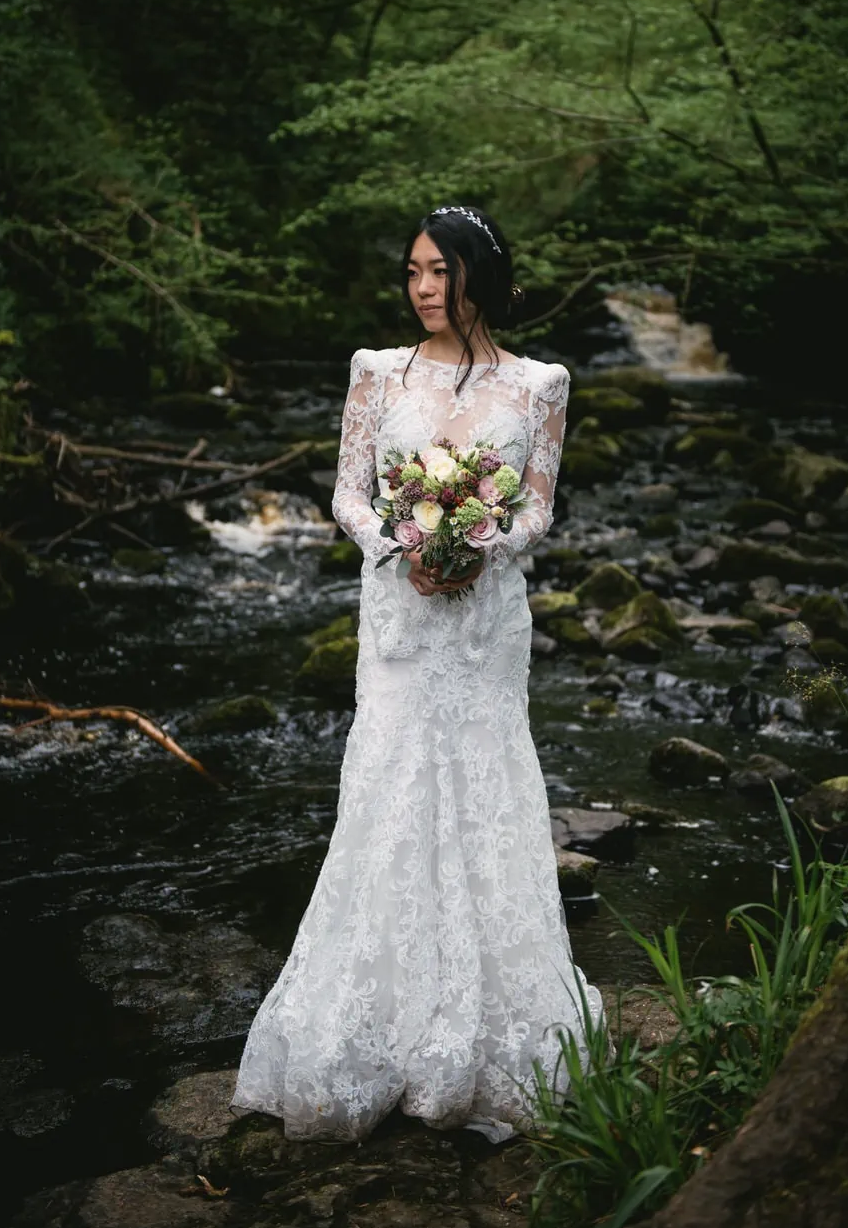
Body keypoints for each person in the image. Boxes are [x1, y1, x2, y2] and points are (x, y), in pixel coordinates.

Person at [232, 205, 602, 1143]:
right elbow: (348, 492)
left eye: (440, 271)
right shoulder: (376, 373)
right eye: (413, 272)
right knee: (390, 791)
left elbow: (541, 511)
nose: (425, 288)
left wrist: (483, 545)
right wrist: (404, 543)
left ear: (479, 272)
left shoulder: (541, 386)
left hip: (484, 627)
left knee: (486, 789)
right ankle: (376, 1031)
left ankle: (489, 1033)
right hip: (400, 617)